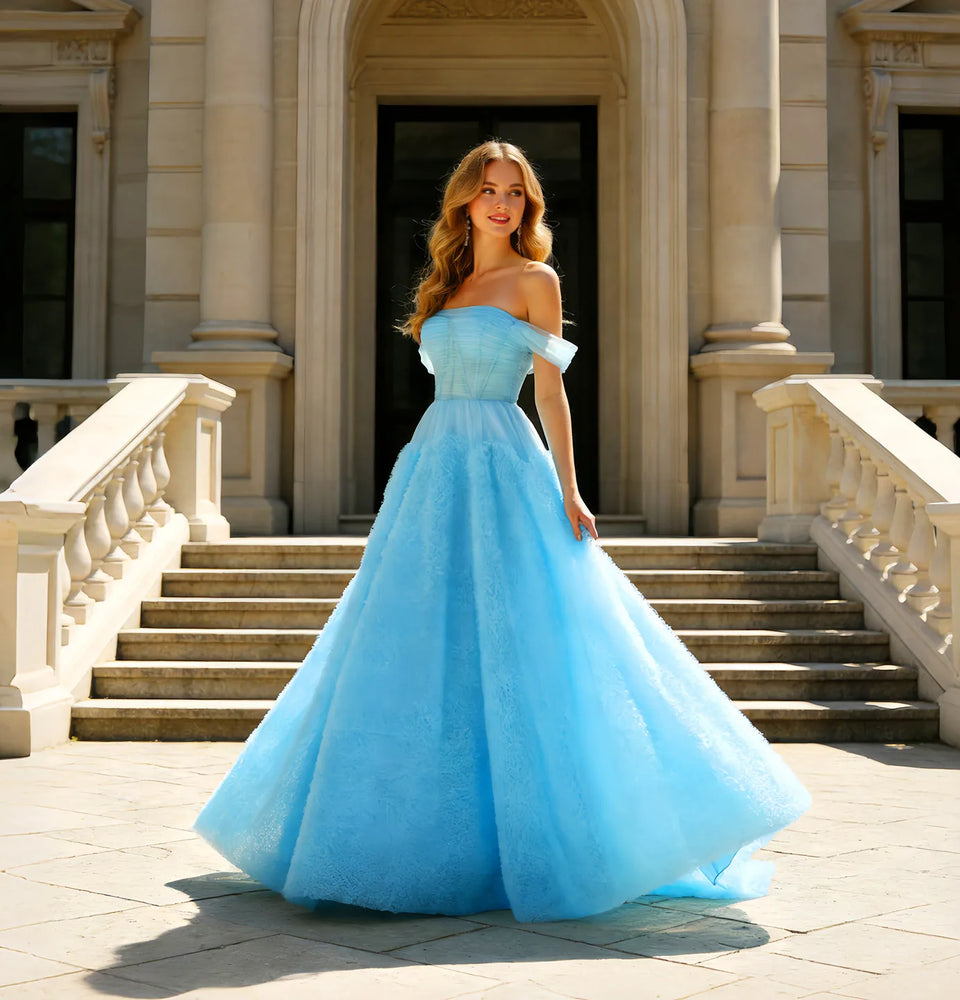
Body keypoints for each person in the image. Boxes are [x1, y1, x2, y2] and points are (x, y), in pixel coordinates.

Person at [193, 140, 812, 924]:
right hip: (430, 469)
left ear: (528, 207)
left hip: (502, 460)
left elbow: (549, 393)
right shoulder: (443, 286)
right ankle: (394, 838)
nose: (500, 203)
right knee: (409, 641)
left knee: (536, 637)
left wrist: (571, 486)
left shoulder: (536, 281)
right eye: (488, 189)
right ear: (463, 200)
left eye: (514, 193)